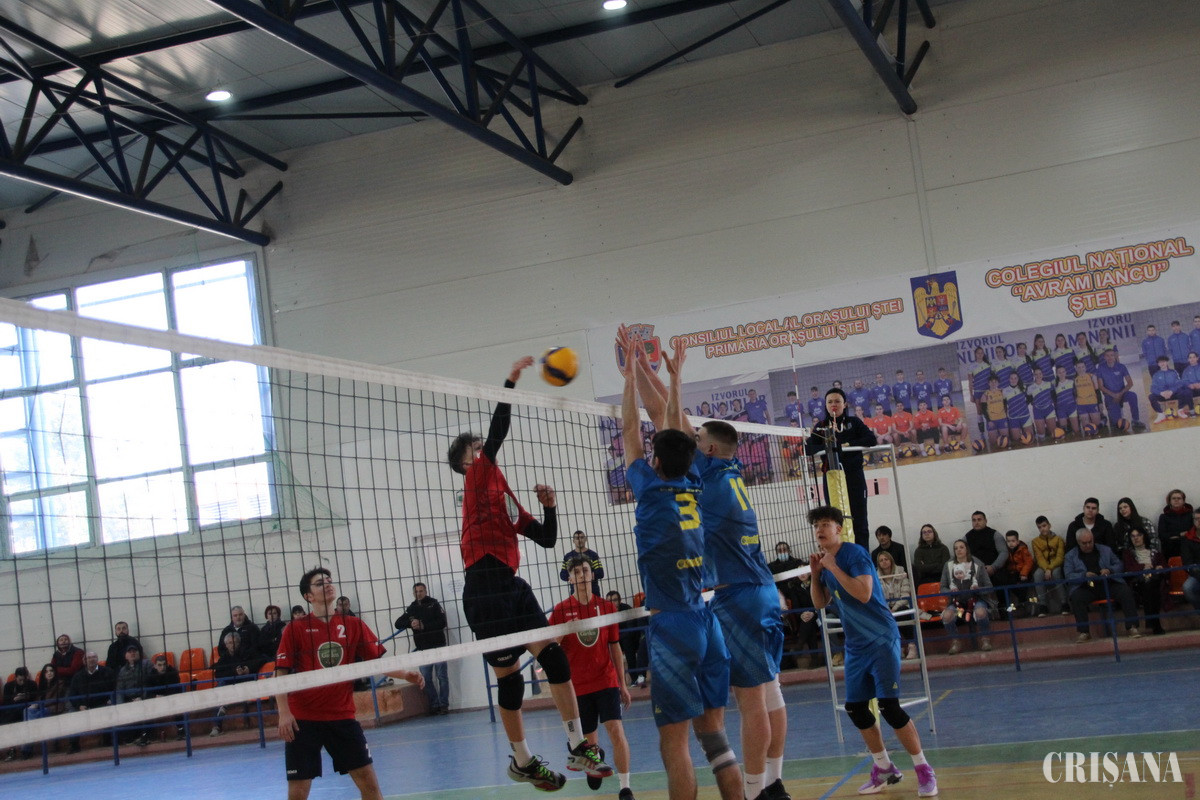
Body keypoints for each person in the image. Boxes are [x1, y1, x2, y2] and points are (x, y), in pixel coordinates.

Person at [448, 356, 611, 790]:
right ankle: (522, 761)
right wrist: (510, 381)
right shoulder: (476, 478)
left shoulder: (501, 493)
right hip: (484, 587)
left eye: (480, 448)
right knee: (511, 683)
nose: (482, 450)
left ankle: (578, 746)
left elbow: (546, 539)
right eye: (475, 450)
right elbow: (498, 431)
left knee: (555, 660)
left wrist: (550, 507)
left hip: (512, 584)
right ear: (467, 464)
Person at [616, 327, 742, 800]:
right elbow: (669, 432)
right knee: (716, 740)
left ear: (654, 460)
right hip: (707, 623)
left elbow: (631, 431)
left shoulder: (649, 491)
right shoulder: (695, 482)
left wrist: (630, 376)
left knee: (675, 746)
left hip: (672, 626)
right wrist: (674, 376)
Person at [807, 505, 938, 797]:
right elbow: (819, 603)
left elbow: (864, 593)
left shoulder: (853, 554)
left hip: (880, 639)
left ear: (838, 528)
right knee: (855, 708)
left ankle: (924, 769)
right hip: (855, 646)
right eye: (816, 525)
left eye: (825, 524)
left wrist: (833, 567)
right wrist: (816, 575)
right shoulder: (826, 563)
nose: (820, 530)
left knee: (889, 707)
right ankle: (884, 768)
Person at [275, 567, 424, 800]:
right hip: (303, 718)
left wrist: (405, 674)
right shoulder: (295, 629)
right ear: (308, 596)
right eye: (319, 583)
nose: (327, 584)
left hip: (341, 716)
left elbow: (376, 662)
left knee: (370, 787)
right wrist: (284, 712)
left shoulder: (353, 624)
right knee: (298, 793)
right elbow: (280, 673)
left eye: (329, 580)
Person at [550, 558, 635, 800]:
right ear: (570, 578)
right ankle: (594, 756)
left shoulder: (607, 607)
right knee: (589, 745)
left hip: (605, 680)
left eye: (586, 570)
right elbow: (548, 647)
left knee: (616, 730)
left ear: (592, 575)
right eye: (577, 572)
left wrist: (622, 684)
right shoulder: (561, 610)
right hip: (577, 686)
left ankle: (625, 788)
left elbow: (615, 646)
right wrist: (564, 631)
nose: (582, 575)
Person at [806, 388, 878, 548]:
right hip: (831, 478)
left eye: (837, 401)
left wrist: (847, 444)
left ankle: (862, 558)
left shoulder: (854, 422)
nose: (834, 404)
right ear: (825, 405)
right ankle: (841, 557)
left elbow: (871, 439)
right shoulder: (821, 426)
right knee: (835, 521)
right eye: (830, 402)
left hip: (854, 476)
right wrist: (829, 446)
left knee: (859, 520)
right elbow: (808, 448)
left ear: (844, 404)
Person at [1064, 531, 1142, 642]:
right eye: (1084, 543)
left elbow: (1119, 564)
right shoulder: (1070, 556)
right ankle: (1084, 632)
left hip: (1108, 584)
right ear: (1078, 542)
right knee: (1076, 597)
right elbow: (1068, 575)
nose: (1088, 545)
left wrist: (1110, 570)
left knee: (1125, 591)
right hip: (1086, 587)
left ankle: (1132, 627)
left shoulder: (1106, 550)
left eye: (1090, 542)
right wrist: (1084, 575)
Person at [395, 582, 450, 716]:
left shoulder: (434, 604)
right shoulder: (412, 608)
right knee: (425, 678)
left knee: (442, 676)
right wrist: (411, 623)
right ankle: (434, 704)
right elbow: (398, 623)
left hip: (438, 646)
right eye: (416, 592)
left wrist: (424, 625)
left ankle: (444, 704)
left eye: (421, 591)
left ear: (425, 591)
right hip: (423, 649)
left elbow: (442, 622)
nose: (418, 594)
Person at [940, 539, 995, 654]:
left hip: (977, 599)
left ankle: (985, 639)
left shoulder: (978, 564)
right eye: (956, 548)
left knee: (980, 612)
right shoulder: (948, 565)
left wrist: (978, 590)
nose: (958, 550)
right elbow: (943, 587)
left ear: (967, 549)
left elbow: (989, 586)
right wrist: (951, 591)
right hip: (956, 601)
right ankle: (955, 641)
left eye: (961, 547)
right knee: (947, 616)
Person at [66, 651, 115, 752]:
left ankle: (108, 741)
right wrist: (79, 706)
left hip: (102, 704)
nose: (92, 659)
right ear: (84, 661)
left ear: (97, 659)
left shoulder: (108, 672)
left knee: (110, 710)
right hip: (83, 706)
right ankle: (74, 745)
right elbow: (72, 694)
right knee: (71, 714)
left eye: (94, 657)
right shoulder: (77, 676)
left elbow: (115, 688)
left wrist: (111, 699)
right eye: (89, 658)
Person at [1122, 527, 1166, 636]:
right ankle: (1156, 625)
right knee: (1149, 587)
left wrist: (1160, 567)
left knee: (1151, 585)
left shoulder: (1155, 552)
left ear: (1144, 536)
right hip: (1138, 583)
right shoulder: (1128, 554)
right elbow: (1128, 569)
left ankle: (1152, 623)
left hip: (1156, 581)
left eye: (1139, 535)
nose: (1136, 538)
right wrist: (1143, 567)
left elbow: (1164, 566)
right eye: (1133, 536)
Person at [875, 552, 917, 660]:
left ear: (891, 560)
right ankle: (897, 647)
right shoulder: (875, 578)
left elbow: (905, 594)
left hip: (902, 605)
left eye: (886, 559)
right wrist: (887, 608)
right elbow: (878, 596)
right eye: (881, 560)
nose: (884, 562)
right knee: (880, 617)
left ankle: (912, 645)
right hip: (885, 608)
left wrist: (894, 608)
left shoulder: (902, 574)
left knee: (902, 613)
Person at [1095, 347, 1143, 431]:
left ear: (1115, 356)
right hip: (1110, 396)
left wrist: (1120, 394)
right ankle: (1110, 415)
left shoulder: (1121, 367)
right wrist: (1114, 395)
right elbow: (1100, 386)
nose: (1110, 358)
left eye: (1112, 355)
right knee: (1116, 425)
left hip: (1122, 393)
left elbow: (1130, 383)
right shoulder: (1101, 368)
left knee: (1133, 396)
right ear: (1104, 357)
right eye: (1107, 356)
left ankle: (1135, 420)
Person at [114, 644, 153, 746]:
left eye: (134, 651)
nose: (132, 653)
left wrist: (142, 698)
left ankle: (145, 736)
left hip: (145, 698)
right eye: (130, 652)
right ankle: (129, 739)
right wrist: (121, 706)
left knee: (145, 708)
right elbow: (119, 690)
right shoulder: (122, 670)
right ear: (126, 656)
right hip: (129, 700)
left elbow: (150, 683)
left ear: (139, 653)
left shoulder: (146, 664)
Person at [143, 653, 186, 741]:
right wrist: (155, 696)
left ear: (167, 665)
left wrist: (166, 697)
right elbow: (148, 693)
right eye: (159, 665)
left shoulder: (173, 673)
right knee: (146, 707)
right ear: (155, 666)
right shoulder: (150, 676)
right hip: (156, 701)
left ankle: (181, 730)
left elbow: (177, 689)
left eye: (164, 665)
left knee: (179, 704)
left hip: (171, 699)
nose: (162, 667)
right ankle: (146, 735)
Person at [1030, 516, 1067, 616]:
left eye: (1044, 526)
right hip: (1044, 566)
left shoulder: (1059, 539)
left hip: (1056, 565)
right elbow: (1039, 558)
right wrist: (1047, 569)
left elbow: (1060, 557)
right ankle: (1043, 605)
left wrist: (1049, 569)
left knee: (1056, 573)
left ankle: (1064, 603)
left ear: (1049, 525)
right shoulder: (1035, 541)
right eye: (1039, 527)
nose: (1042, 529)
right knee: (1037, 575)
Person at [605, 591, 642, 689]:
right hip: (615, 640)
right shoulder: (605, 612)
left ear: (620, 600)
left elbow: (631, 630)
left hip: (630, 639)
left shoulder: (627, 609)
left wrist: (616, 638)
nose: (612, 603)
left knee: (627, 644)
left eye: (615, 600)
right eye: (609, 601)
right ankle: (613, 682)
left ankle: (634, 678)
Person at [2, 667, 34, 760]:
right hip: (11, 711)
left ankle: (24, 751)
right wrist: (14, 699)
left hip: (25, 710)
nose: (22, 682)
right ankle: (11, 750)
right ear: (15, 677)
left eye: (24, 680)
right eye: (20, 680)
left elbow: (34, 699)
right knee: (7, 721)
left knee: (25, 717)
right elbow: (6, 702)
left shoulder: (32, 684)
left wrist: (26, 697)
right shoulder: (8, 686)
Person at [559, 530, 605, 596]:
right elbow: (562, 575)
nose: (580, 540)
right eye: (577, 538)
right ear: (573, 541)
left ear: (586, 539)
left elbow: (600, 573)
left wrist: (575, 576)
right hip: (576, 593)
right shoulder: (568, 557)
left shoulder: (593, 555)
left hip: (593, 592)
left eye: (582, 537)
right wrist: (589, 575)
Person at [1148, 356, 1192, 423]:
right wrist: (1161, 393)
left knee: (1185, 391)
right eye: (1160, 362)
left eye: (1164, 361)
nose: (1162, 363)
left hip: (1173, 394)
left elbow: (1179, 384)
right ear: (1158, 364)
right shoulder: (1156, 375)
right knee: (1151, 396)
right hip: (1162, 395)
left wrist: (1171, 391)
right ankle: (1161, 414)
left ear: (1167, 362)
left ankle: (1180, 410)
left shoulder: (1173, 372)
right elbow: (1152, 388)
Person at [1002, 530, 1035, 614]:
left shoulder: (1023, 549)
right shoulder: (1006, 551)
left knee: (1023, 586)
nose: (1011, 543)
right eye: (1008, 541)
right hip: (1013, 573)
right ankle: (1022, 603)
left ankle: (1022, 605)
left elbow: (1028, 562)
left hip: (1024, 572)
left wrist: (1024, 573)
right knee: (1008, 583)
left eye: (1013, 541)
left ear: (1018, 541)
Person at [1158, 489, 1194, 560]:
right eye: (1173, 498)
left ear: (1183, 501)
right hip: (1170, 551)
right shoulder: (1164, 517)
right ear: (1169, 501)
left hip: (1189, 549)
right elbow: (1162, 536)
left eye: (1179, 498)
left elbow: (1193, 533)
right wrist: (1180, 534)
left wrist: (1173, 536)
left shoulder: (1191, 515)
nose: (1176, 500)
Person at [1182, 509, 1200, 610]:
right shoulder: (1187, 538)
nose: (1199, 521)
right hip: (1196, 573)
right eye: (1196, 519)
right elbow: (1187, 562)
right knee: (1187, 587)